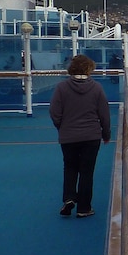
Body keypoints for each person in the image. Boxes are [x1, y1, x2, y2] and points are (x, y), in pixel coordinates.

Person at [50, 54, 111, 218]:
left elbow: (54, 112)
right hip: (91, 136)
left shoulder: (61, 88)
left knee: (70, 167)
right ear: (89, 69)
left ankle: (69, 198)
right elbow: (104, 114)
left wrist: (62, 127)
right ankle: (84, 207)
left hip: (68, 136)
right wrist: (106, 134)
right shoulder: (97, 88)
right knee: (87, 171)